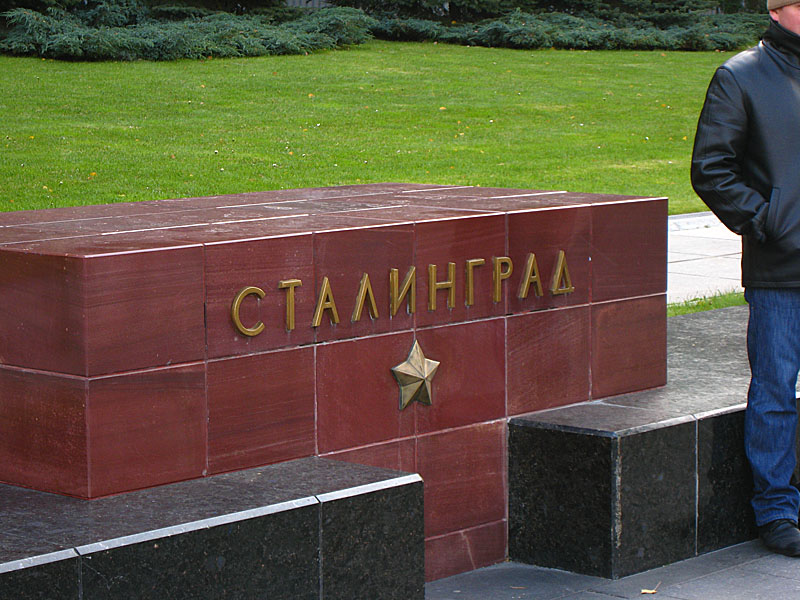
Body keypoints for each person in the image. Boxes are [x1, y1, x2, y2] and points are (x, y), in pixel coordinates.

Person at [691, 0, 800, 557]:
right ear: (776, 10)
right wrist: (769, 223)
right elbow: (711, 167)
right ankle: (777, 511)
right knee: (776, 391)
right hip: (782, 269)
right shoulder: (741, 76)